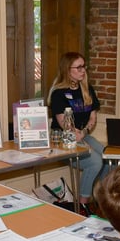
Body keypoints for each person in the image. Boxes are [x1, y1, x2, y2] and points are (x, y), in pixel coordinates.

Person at [48, 51, 107, 211]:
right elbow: (64, 124)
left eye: (84, 66)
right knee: (95, 161)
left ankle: (105, 198)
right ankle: (82, 205)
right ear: (68, 70)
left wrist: (84, 133)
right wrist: (78, 135)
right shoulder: (58, 93)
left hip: (82, 134)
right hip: (62, 138)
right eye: (78, 67)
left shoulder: (87, 89)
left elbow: (93, 118)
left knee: (108, 157)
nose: (83, 70)